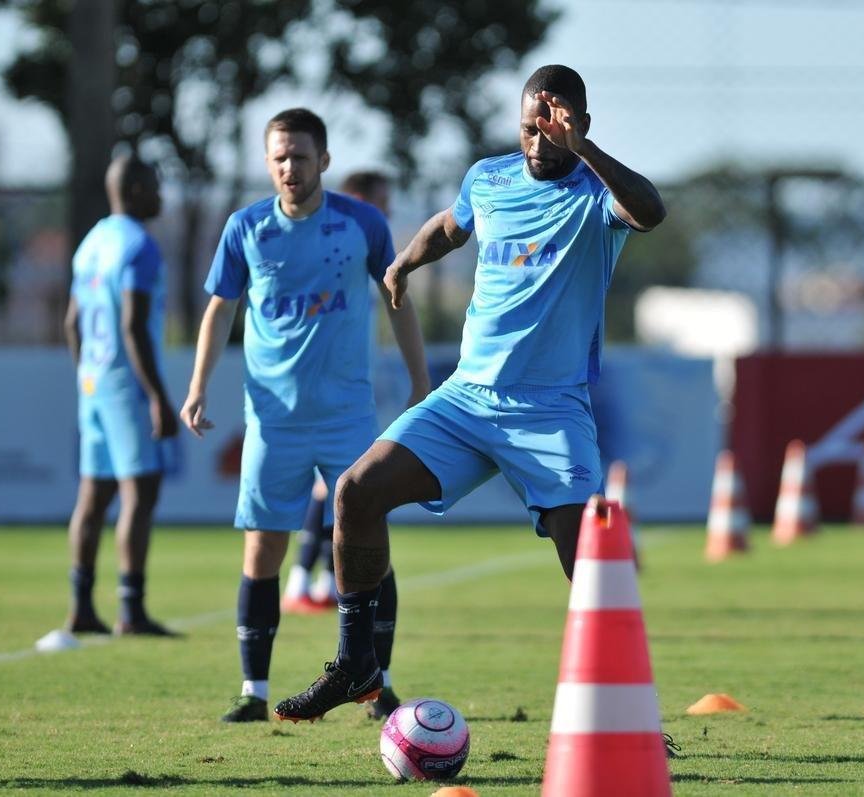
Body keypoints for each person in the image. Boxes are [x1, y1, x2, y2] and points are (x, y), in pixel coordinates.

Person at [273, 64, 666, 722]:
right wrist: (403, 262)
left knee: (590, 563)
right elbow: (451, 226)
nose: (538, 138)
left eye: (554, 125)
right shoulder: (490, 178)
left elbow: (651, 211)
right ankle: (356, 662)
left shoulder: (596, 195)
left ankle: (629, 716)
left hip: (549, 409)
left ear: (581, 125)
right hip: (466, 399)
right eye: (528, 127)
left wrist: (583, 150)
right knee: (356, 492)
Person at [180, 109, 429, 723]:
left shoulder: (362, 224)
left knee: (369, 548)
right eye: (279, 157)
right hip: (273, 421)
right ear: (268, 164)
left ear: (325, 160)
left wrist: (422, 382)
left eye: (300, 155)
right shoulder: (246, 228)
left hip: (347, 417)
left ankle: (380, 683)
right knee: (263, 549)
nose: (290, 167)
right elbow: (220, 311)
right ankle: (253, 694)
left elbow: (397, 299)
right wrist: (198, 386)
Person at [279, 167, 406, 719]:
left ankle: (372, 671)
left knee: (352, 509)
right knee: (341, 501)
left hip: (350, 399)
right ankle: (306, 579)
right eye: (380, 201)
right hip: (315, 405)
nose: (387, 211)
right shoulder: (332, 238)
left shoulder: (363, 247)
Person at [62, 154, 178, 638]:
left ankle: (82, 606)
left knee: (93, 495)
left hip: (92, 381)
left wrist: (86, 375)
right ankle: (131, 610)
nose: (161, 195)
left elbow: (72, 323)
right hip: (125, 385)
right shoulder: (139, 247)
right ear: (133, 190)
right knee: (140, 491)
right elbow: (133, 325)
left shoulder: (92, 243)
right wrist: (157, 396)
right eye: (153, 185)